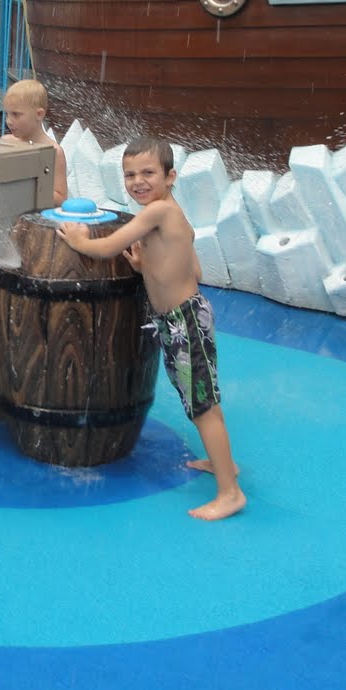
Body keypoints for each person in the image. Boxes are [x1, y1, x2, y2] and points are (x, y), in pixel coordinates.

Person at [56, 135, 244, 521]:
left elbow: (108, 247)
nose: (138, 181)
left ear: (170, 176)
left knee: (203, 407)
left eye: (148, 173)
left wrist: (80, 240)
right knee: (199, 399)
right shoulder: (176, 215)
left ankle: (230, 492)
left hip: (183, 322)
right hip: (183, 318)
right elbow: (194, 270)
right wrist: (147, 268)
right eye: (129, 174)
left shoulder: (156, 213)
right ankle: (223, 462)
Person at [0, 79, 68, 208]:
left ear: (39, 114)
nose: (8, 121)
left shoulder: (53, 151)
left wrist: (27, 190)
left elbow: (61, 198)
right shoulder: (6, 142)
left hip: (36, 218)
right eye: (7, 114)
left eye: (16, 114)